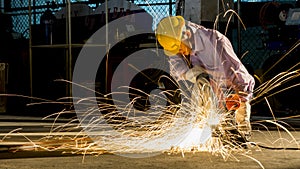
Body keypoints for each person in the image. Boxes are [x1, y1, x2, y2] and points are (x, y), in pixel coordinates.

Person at [155, 16, 255, 139]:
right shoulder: (175, 42)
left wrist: (241, 97)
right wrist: (191, 74)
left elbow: (239, 76)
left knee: (235, 121)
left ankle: (242, 130)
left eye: (180, 48)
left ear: (187, 34)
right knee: (204, 105)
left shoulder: (216, 42)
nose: (179, 53)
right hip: (209, 87)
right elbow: (176, 67)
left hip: (231, 89)